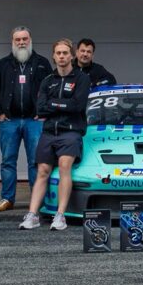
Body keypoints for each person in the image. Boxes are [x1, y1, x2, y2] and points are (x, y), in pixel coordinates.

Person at [19, 39, 91, 231]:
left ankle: (60, 215)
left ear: (72, 55)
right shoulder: (47, 80)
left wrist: (53, 104)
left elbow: (77, 106)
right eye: (58, 53)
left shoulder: (81, 79)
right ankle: (32, 215)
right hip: (49, 132)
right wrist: (62, 104)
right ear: (53, 56)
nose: (61, 56)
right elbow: (40, 108)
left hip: (71, 131)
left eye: (65, 53)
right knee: (42, 170)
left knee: (64, 166)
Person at [0, 26, 52, 212]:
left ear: (30, 40)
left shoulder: (42, 63)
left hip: (34, 121)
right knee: (8, 161)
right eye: (18, 39)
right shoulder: (2, 64)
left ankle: (37, 200)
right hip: (10, 121)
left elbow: (50, 89)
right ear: (12, 42)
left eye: (25, 39)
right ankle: (7, 198)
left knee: (35, 161)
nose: (21, 42)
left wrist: (43, 112)